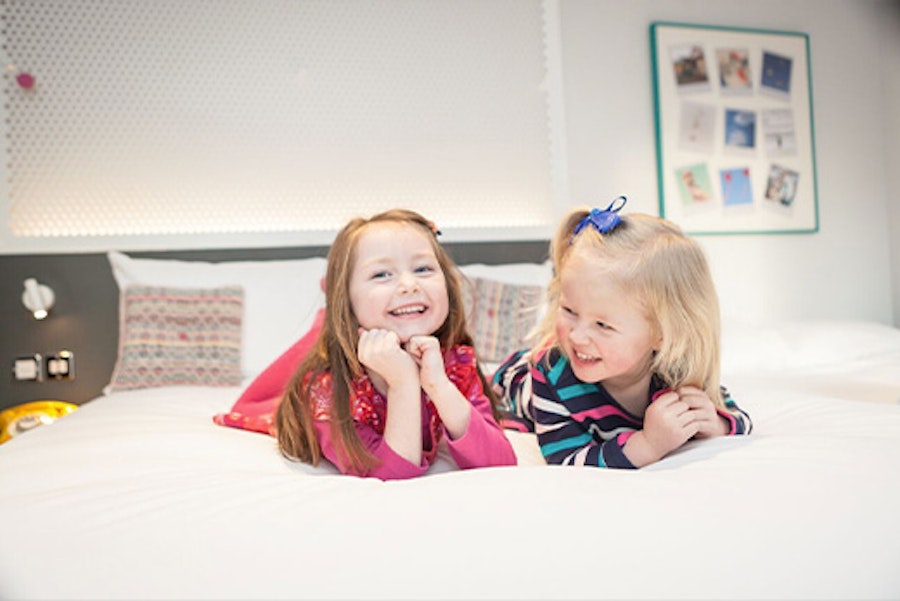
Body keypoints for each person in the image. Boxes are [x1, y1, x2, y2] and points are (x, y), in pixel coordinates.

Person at [493, 197, 751, 468]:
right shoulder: (550, 375)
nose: (577, 336)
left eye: (603, 325)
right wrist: (648, 444)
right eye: (569, 310)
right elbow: (566, 459)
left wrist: (718, 424)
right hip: (518, 381)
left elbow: (735, 413)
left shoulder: (676, 371)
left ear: (662, 335)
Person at [274, 209, 516, 479]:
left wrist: (439, 386)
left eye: (423, 269)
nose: (409, 285)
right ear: (346, 299)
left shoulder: (451, 365)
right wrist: (403, 383)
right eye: (381, 275)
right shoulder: (328, 393)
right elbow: (394, 476)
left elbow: (502, 464)